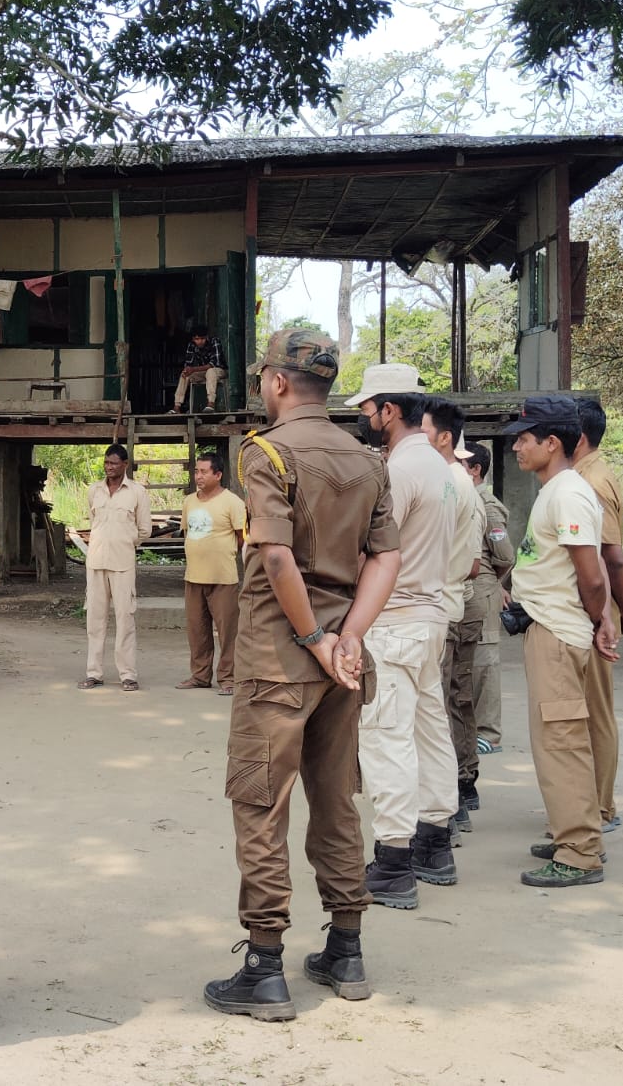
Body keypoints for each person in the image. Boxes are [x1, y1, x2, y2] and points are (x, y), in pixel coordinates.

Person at [203, 330, 399, 1023]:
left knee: (262, 803)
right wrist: (347, 638)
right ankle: (346, 948)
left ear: (279, 383)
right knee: (337, 798)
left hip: (278, 661)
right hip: (345, 665)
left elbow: (278, 559)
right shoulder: (367, 459)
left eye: (263, 378)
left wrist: (314, 638)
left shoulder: (267, 452)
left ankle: (263, 966)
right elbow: (386, 560)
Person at [348, 366, 459, 907]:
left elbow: (373, 548)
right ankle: (435, 840)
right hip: (431, 614)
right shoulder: (441, 467)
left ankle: (393, 862)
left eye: (367, 411)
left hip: (395, 619)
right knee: (427, 726)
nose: (364, 420)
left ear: (388, 410)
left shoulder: (395, 470)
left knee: (386, 734)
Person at [504, 396, 618, 889]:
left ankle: (578, 852)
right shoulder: (558, 490)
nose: (516, 448)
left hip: (559, 632)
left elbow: (591, 575)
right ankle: (574, 833)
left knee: (562, 743)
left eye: (524, 439)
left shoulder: (568, 493)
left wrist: (602, 619)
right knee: (561, 739)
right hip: (550, 627)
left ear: (552, 443)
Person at [572, 398, 623, 832]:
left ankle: (601, 808)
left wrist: (621, 611)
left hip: (594, 614)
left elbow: (613, 558)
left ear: (577, 436)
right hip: (594, 611)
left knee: (595, 712)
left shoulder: (592, 481)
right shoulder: (585, 476)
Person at [420, 398, 487, 822]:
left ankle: (446, 808)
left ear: (444, 438)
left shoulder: (448, 483)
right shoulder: (456, 480)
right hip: (450, 601)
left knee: (436, 709)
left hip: (442, 605)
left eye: (422, 430)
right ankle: (457, 794)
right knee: (448, 703)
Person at [81, 444, 152, 691]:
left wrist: (123, 541)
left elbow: (144, 529)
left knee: (125, 619)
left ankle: (127, 675)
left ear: (125, 464)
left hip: (123, 564)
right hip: (96, 562)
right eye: (106, 463)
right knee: (95, 620)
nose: (109, 467)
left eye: (113, 463)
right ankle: (94, 673)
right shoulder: (95, 491)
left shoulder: (137, 492)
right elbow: (94, 523)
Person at [461, 442, 515, 755]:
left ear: (476, 470)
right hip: (472, 591)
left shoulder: (488, 506)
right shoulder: (468, 499)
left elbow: (505, 555)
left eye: (462, 464)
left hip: (483, 590)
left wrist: (496, 583)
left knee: (485, 661)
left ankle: (489, 732)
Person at [178, 451, 246, 694]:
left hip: (223, 578)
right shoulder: (189, 502)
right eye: (196, 471)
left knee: (227, 631)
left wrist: (221, 552)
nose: (199, 476)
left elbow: (242, 538)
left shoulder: (233, 502)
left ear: (218, 474)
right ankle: (200, 676)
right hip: (193, 577)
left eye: (204, 471)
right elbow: (187, 533)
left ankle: (228, 678)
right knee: (197, 630)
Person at [169, 325, 227, 414]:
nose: (200, 341)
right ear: (193, 339)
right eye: (197, 339)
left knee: (210, 371)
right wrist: (187, 370)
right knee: (185, 375)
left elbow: (214, 364)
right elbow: (188, 364)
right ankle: (177, 406)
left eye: (202, 338)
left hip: (219, 371)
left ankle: (211, 403)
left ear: (207, 337)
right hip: (203, 372)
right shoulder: (191, 345)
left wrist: (193, 369)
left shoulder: (215, 341)